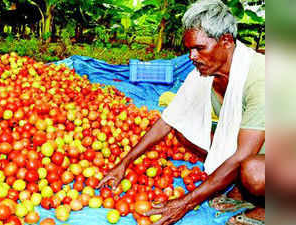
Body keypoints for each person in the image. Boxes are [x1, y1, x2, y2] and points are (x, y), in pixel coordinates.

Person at [97, 0, 265, 224]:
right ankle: (245, 188)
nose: (191, 57)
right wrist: (123, 163)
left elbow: (243, 154)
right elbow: (168, 121)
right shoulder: (204, 73)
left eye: (199, 48)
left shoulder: (260, 78)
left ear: (226, 41)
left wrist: (185, 203)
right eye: (189, 49)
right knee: (183, 131)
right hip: (257, 142)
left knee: (253, 172)